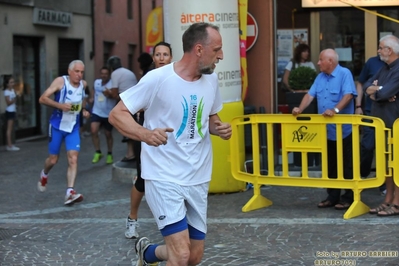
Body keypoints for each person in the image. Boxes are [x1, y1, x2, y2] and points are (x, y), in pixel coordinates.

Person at [109, 22, 232, 265]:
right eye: (217, 49)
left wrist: (218, 127)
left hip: (197, 175)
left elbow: (209, 117)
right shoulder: (157, 79)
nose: (221, 55)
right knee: (181, 254)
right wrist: (145, 134)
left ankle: (147, 253)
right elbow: (117, 114)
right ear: (198, 49)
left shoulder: (211, 80)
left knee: (193, 256)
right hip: (163, 175)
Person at [292, 49, 357, 210]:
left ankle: (349, 197)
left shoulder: (344, 73)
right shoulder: (320, 77)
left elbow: (348, 95)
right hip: (327, 131)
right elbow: (310, 95)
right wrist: (299, 109)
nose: (318, 63)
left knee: (347, 165)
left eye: (321, 60)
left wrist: (335, 110)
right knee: (330, 165)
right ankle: (332, 196)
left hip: (344, 130)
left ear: (330, 61)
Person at [125, 41, 173, 239]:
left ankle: (173, 222)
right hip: (147, 136)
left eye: (165, 54)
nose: (161, 58)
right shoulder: (147, 79)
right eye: (158, 54)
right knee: (143, 181)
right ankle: (132, 218)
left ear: (171, 57)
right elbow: (131, 106)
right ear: (153, 58)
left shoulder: (177, 78)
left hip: (170, 137)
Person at [37, 60, 90, 205]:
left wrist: (84, 111)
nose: (79, 75)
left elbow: (81, 102)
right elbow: (42, 98)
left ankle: (69, 192)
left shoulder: (83, 85)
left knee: (73, 159)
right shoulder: (61, 81)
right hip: (57, 126)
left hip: (73, 128)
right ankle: (45, 173)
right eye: (77, 72)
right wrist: (60, 106)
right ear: (69, 71)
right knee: (53, 160)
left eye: (82, 72)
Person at [364, 35, 399, 216]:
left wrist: (378, 91)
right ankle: (388, 200)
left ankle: (397, 202)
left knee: (397, 165)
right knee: (386, 165)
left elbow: (386, 93)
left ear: (389, 50)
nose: (378, 51)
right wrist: (378, 90)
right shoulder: (384, 68)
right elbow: (367, 86)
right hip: (383, 125)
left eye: (380, 47)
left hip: (396, 125)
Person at [355, 55, 386, 194]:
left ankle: (384, 183)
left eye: (382, 47)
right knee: (367, 146)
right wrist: (358, 105)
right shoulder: (372, 62)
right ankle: (363, 175)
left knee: (385, 149)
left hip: (389, 114)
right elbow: (362, 83)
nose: (379, 50)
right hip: (370, 112)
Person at [105, 56, 138, 162]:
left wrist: (107, 93)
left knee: (127, 129)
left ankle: (130, 154)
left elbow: (115, 94)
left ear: (110, 67)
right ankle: (131, 153)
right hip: (135, 102)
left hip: (128, 104)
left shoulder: (115, 74)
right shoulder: (127, 72)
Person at [90, 66, 117, 164]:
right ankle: (98, 152)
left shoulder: (112, 84)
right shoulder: (96, 82)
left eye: (106, 73)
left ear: (109, 74)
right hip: (97, 111)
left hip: (108, 113)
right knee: (93, 130)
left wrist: (109, 94)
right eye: (102, 73)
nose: (104, 75)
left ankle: (109, 153)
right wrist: (91, 98)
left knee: (108, 134)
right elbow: (93, 91)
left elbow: (116, 96)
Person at [3, 75, 20, 151]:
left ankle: (10, 144)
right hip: (9, 111)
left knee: (11, 128)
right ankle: (9, 145)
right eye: (11, 82)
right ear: (7, 84)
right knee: (9, 129)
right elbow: (8, 102)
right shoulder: (6, 91)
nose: (13, 83)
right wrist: (14, 99)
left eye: (13, 82)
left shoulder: (12, 90)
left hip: (13, 110)